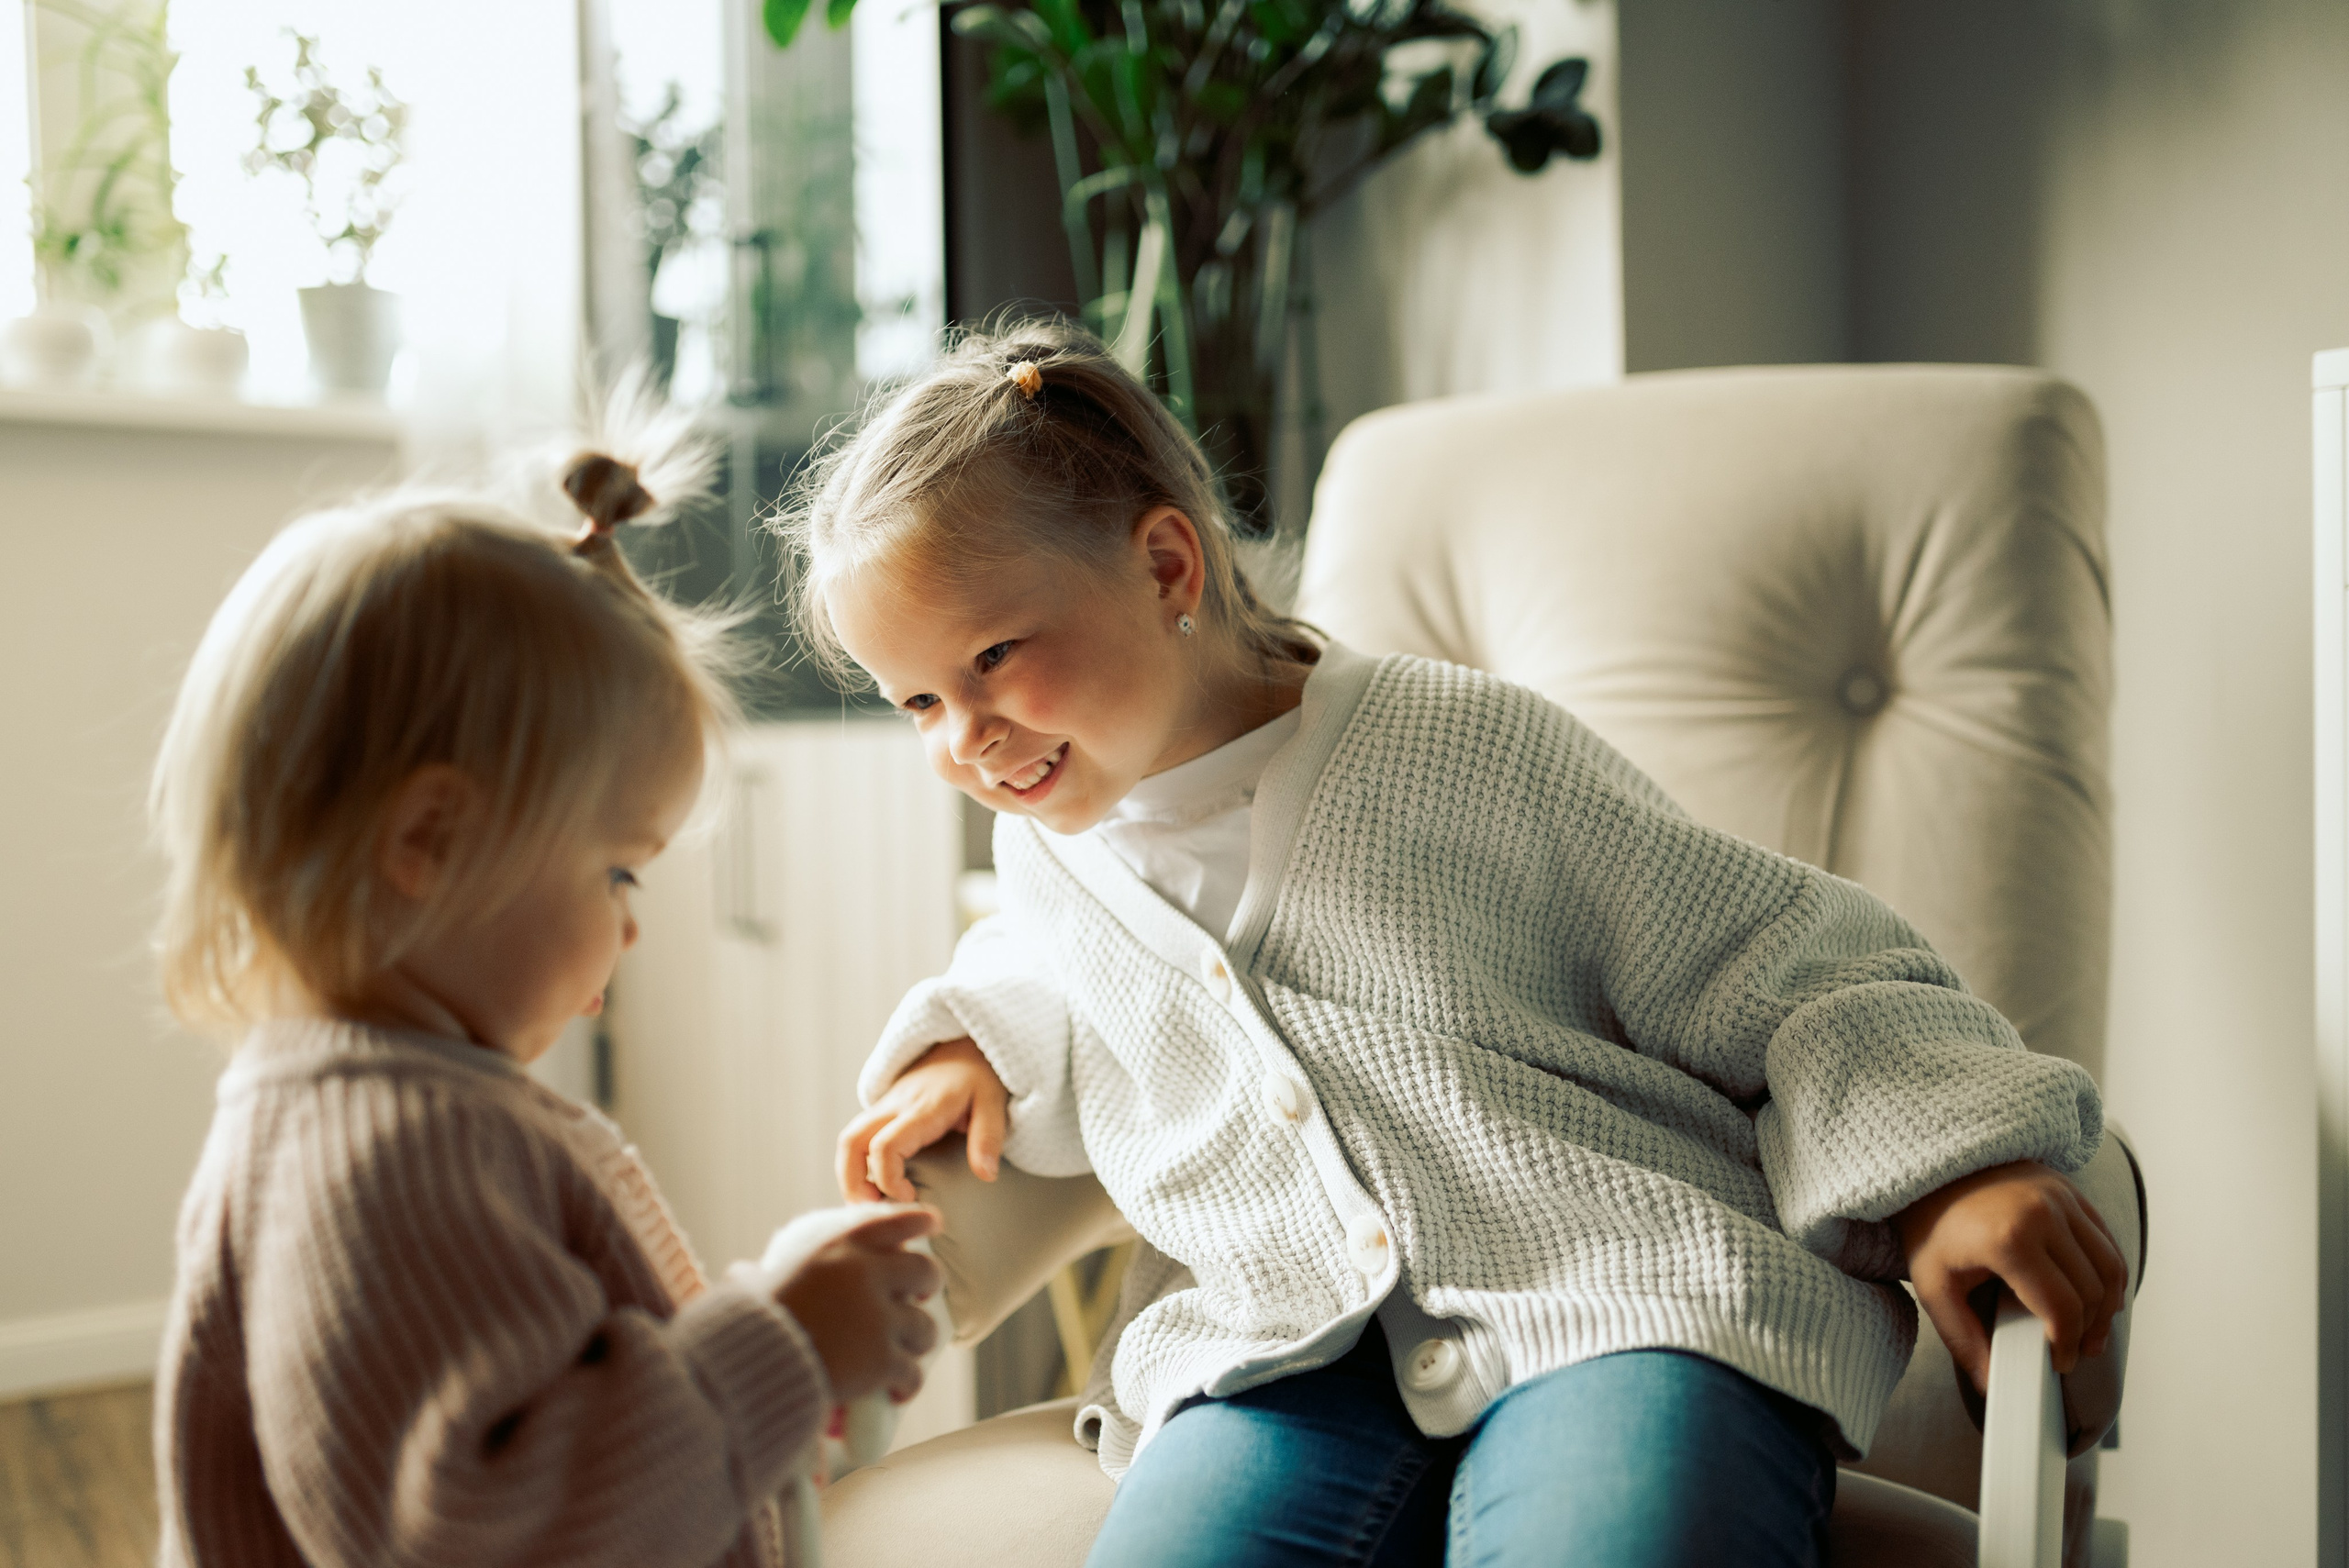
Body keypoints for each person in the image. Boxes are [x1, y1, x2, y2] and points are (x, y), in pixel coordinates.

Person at [785, 318, 2130, 1568]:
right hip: (1273, 1347)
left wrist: (1950, 1171)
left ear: (1164, 565)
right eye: (915, 700)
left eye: (996, 658)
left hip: (1626, 1296)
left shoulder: (1462, 745)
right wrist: (973, 1041)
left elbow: (1785, 958)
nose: (963, 737)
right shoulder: (1049, 855)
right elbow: (1055, 968)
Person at [149, 423, 941, 1568]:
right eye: (617, 868)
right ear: (430, 839)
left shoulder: (380, 1110)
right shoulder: (394, 1157)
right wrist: (774, 1340)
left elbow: (552, 1381)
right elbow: (506, 1530)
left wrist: (773, 1326)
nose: (630, 922)